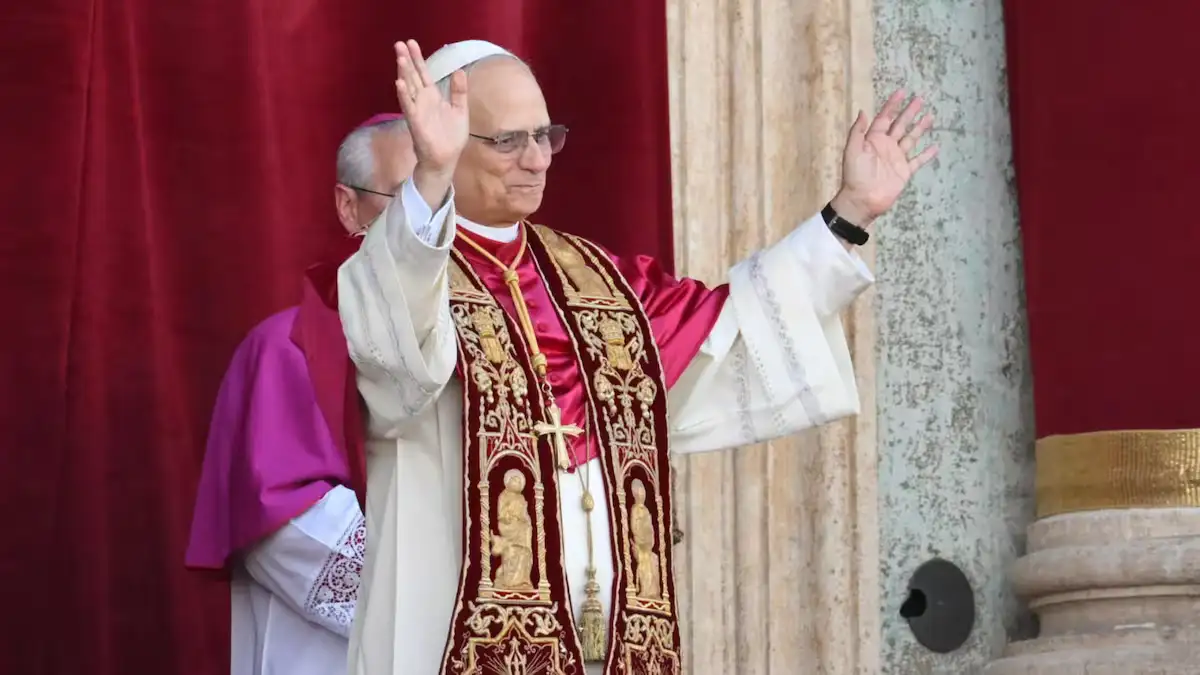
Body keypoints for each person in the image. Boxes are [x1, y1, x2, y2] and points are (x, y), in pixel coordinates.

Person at [339, 39, 938, 675]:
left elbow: (732, 328)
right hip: (451, 636)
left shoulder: (600, 281)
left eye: (546, 136)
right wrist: (428, 179)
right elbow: (398, 361)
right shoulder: (398, 269)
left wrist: (848, 215)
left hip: (610, 638)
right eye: (509, 141)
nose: (538, 159)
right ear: (449, 140)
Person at [185, 114, 416, 675]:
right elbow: (285, 523)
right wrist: (442, 598)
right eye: (408, 200)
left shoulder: (502, 344)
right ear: (348, 207)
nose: (432, 228)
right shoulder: (288, 349)